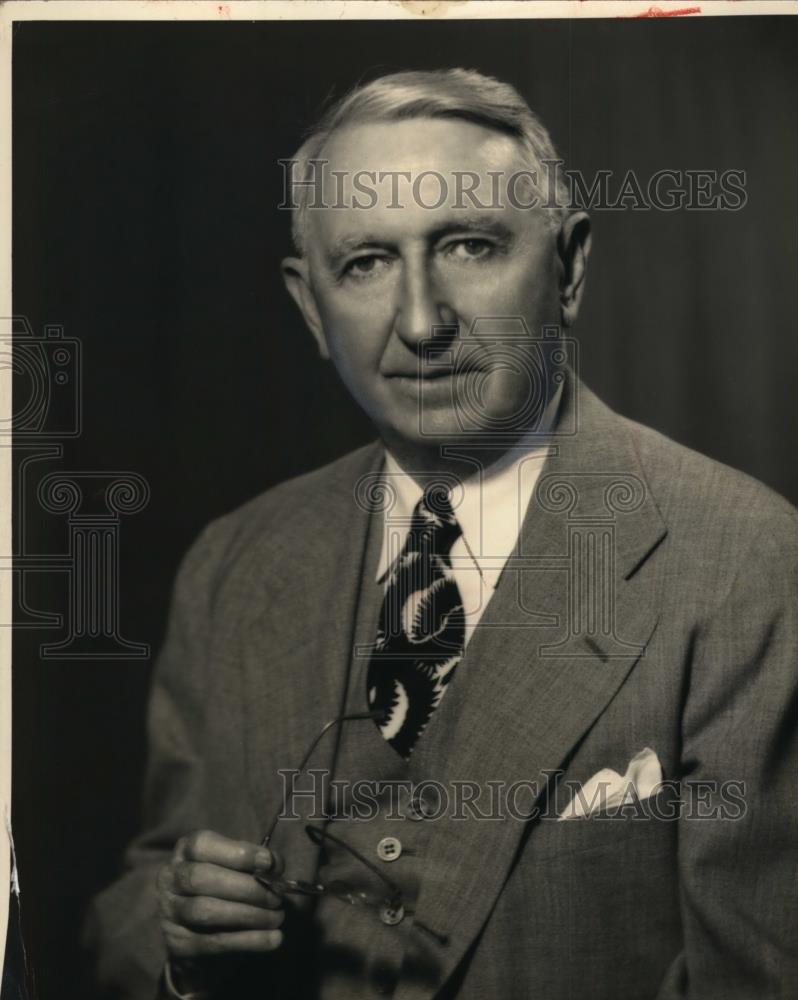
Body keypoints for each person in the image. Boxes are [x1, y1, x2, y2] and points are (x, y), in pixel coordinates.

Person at [85, 69, 798, 1000]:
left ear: (569, 268)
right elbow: (138, 901)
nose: (422, 321)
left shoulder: (745, 560)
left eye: (468, 246)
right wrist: (180, 941)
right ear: (311, 307)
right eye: (366, 264)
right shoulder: (234, 562)